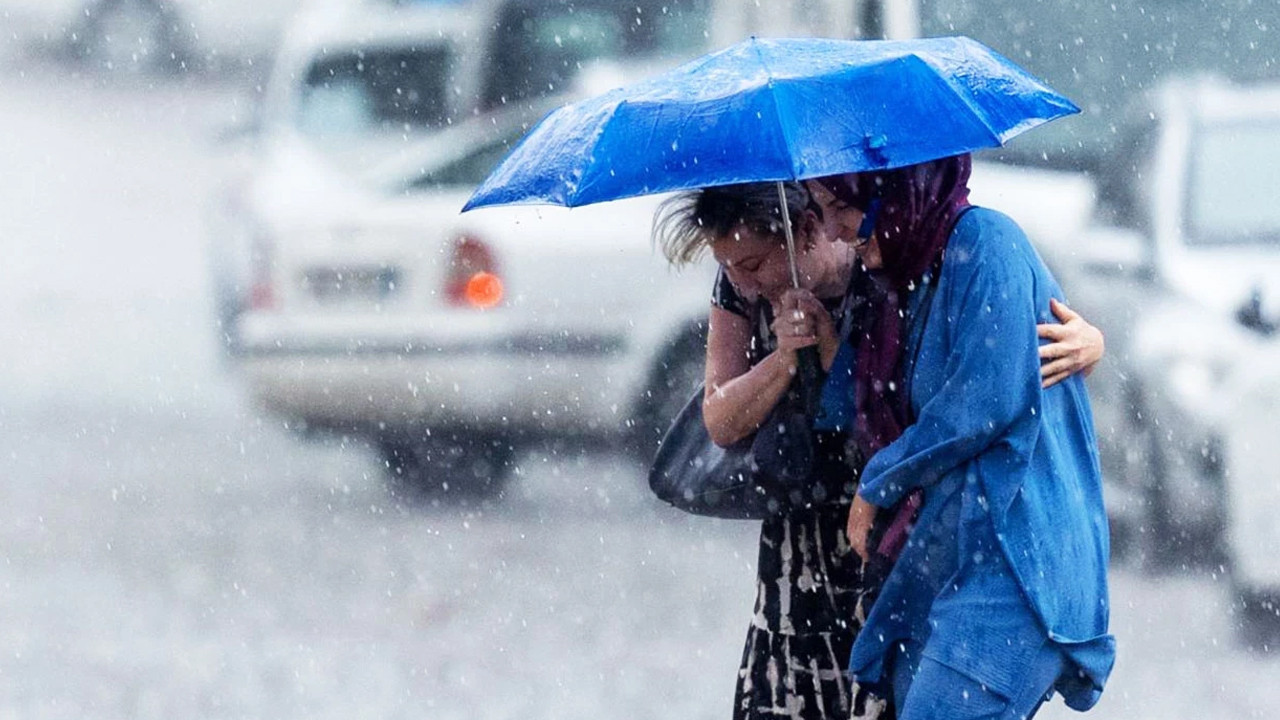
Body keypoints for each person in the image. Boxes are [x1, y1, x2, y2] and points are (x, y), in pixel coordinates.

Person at [653, 178, 1104, 720]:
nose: (740, 283)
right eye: (727, 267)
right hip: (819, 539)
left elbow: (982, 384)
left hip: (908, 534)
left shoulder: (902, 259)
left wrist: (1091, 345)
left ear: (804, 232)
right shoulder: (772, 285)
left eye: (750, 265)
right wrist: (790, 358)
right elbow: (725, 419)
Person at [825, 156, 1116, 720]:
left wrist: (879, 482)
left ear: (900, 191)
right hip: (947, 559)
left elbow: (982, 401)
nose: (836, 230)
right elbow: (851, 406)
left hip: (1017, 562)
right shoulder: (903, 279)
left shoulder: (987, 244)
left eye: (844, 207)